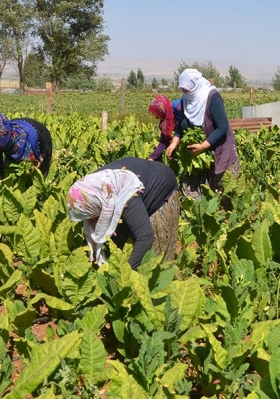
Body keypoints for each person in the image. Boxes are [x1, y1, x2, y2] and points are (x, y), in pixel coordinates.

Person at [67, 157, 179, 268]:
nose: (91, 220)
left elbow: (145, 238)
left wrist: (123, 273)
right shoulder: (89, 190)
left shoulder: (124, 194)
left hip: (161, 185)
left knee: (155, 260)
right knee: (118, 242)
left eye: (91, 215)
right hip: (137, 178)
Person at [165, 69, 240, 197]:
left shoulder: (211, 97)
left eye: (187, 90)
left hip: (218, 149)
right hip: (197, 154)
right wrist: (174, 142)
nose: (185, 93)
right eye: (183, 90)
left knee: (221, 192)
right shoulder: (185, 100)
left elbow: (222, 127)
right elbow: (181, 125)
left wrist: (203, 146)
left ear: (195, 86)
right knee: (192, 192)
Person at [0, 113, 53, 179]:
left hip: (41, 138)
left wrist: (37, 166)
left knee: (40, 175)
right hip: (13, 141)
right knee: (12, 169)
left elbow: (45, 151)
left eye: (0, 146)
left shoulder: (32, 137)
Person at [147, 94, 183, 161]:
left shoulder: (179, 107)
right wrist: (151, 158)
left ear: (162, 111)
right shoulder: (165, 119)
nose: (156, 117)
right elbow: (163, 141)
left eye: (157, 114)